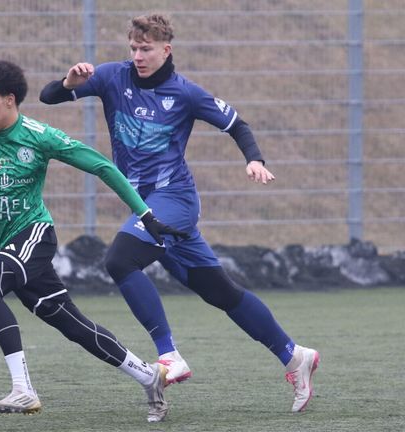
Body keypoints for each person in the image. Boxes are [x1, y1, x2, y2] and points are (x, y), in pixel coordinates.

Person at [39, 13, 319, 413]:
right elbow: (48, 97)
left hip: (175, 202)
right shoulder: (110, 77)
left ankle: (168, 355)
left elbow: (238, 124)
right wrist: (69, 83)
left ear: (166, 49)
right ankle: (296, 357)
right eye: (134, 47)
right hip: (145, 205)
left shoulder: (185, 93)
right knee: (222, 292)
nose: (138, 55)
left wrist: (254, 159)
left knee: (119, 260)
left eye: (147, 48)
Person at [0, 59, 190, 422]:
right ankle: (148, 375)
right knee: (72, 324)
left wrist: (145, 214)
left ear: (10, 100)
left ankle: (23, 390)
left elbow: (102, 167)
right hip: (5, 244)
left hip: (34, 236)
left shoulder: (39, 136)